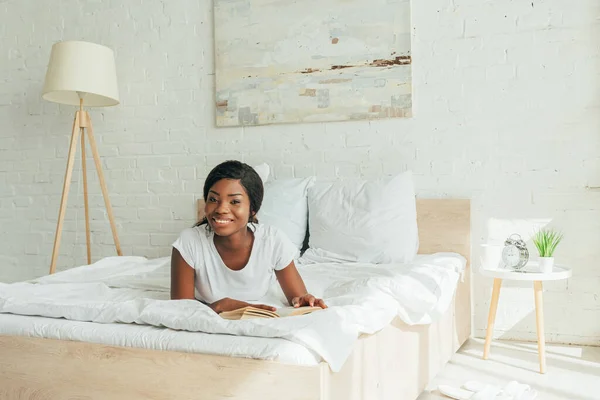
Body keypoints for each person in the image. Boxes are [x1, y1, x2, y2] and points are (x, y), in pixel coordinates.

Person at [170, 160, 327, 314]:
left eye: (235, 201)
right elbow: (181, 309)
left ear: (252, 209)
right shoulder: (189, 241)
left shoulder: (272, 240)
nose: (221, 209)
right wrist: (217, 307)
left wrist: (305, 301)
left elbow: (297, 297)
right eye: (213, 199)